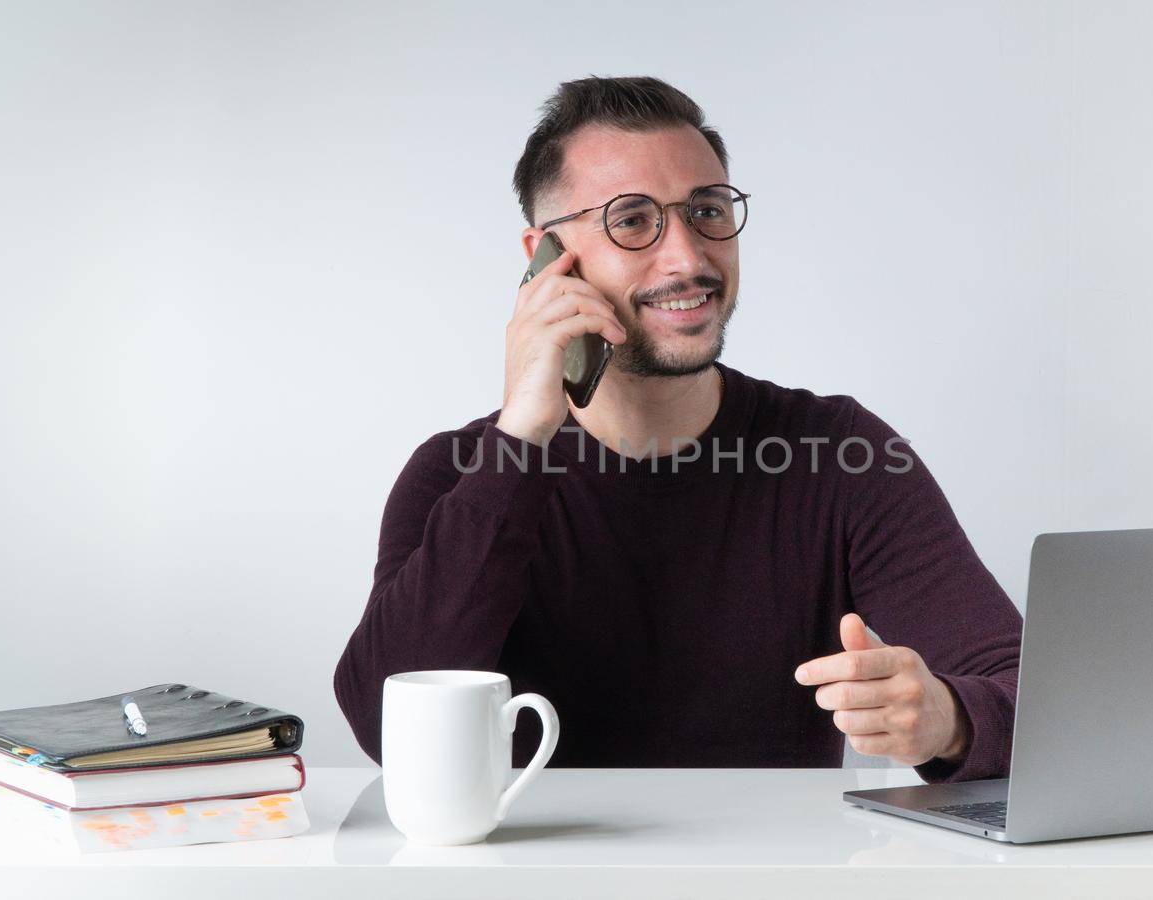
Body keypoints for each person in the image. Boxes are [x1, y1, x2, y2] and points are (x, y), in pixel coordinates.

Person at [334, 75, 1023, 784]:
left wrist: (947, 719)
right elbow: (388, 728)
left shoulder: (839, 455)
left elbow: (1029, 692)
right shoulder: (456, 474)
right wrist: (522, 438)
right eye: (632, 220)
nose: (689, 259)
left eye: (706, 210)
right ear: (545, 258)